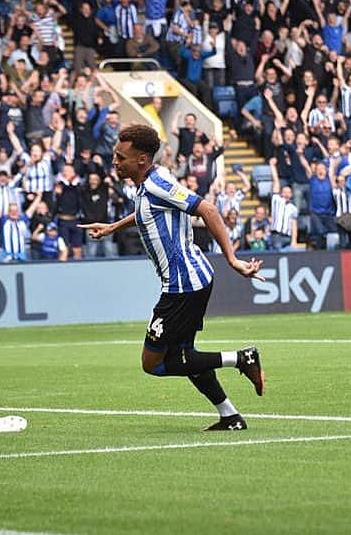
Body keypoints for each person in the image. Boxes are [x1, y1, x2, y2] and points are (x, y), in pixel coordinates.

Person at [80, 124, 265, 431]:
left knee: (152, 363)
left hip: (184, 285)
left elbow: (207, 209)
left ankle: (241, 358)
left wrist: (232, 259)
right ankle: (230, 416)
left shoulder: (156, 185)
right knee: (184, 355)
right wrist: (114, 227)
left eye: (120, 156)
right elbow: (148, 212)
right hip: (188, 281)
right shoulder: (153, 180)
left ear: (141, 160)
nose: (114, 161)